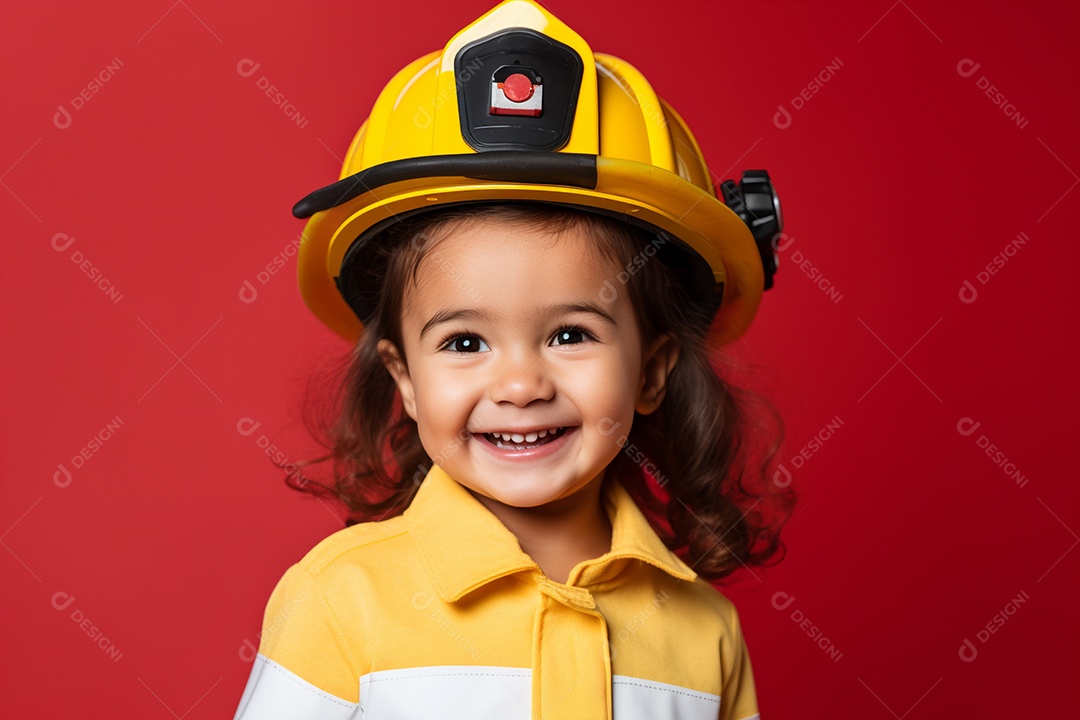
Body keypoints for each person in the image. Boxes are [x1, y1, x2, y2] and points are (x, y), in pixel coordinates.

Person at [232, 1, 793, 718]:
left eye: (571, 335)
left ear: (651, 371)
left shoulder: (704, 632)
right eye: (465, 343)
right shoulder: (341, 603)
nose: (522, 384)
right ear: (403, 378)